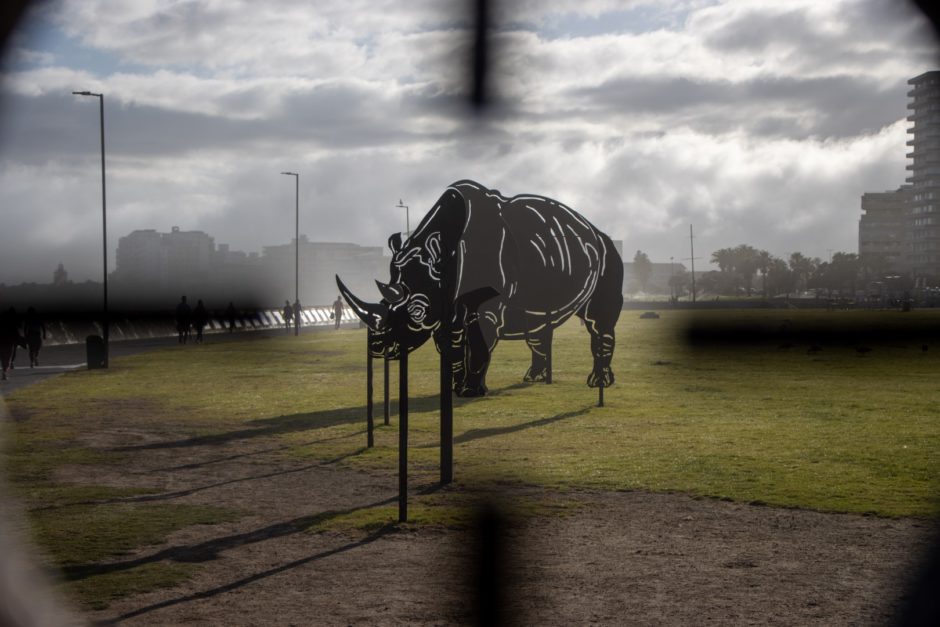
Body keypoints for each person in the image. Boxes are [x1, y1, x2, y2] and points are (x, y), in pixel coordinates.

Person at [1, 307, 25, 381]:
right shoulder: (12, 323)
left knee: (3, 357)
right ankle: (5, 371)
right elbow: (17, 331)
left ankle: (4, 371)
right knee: (8, 357)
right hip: (9, 342)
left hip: (3, 342)